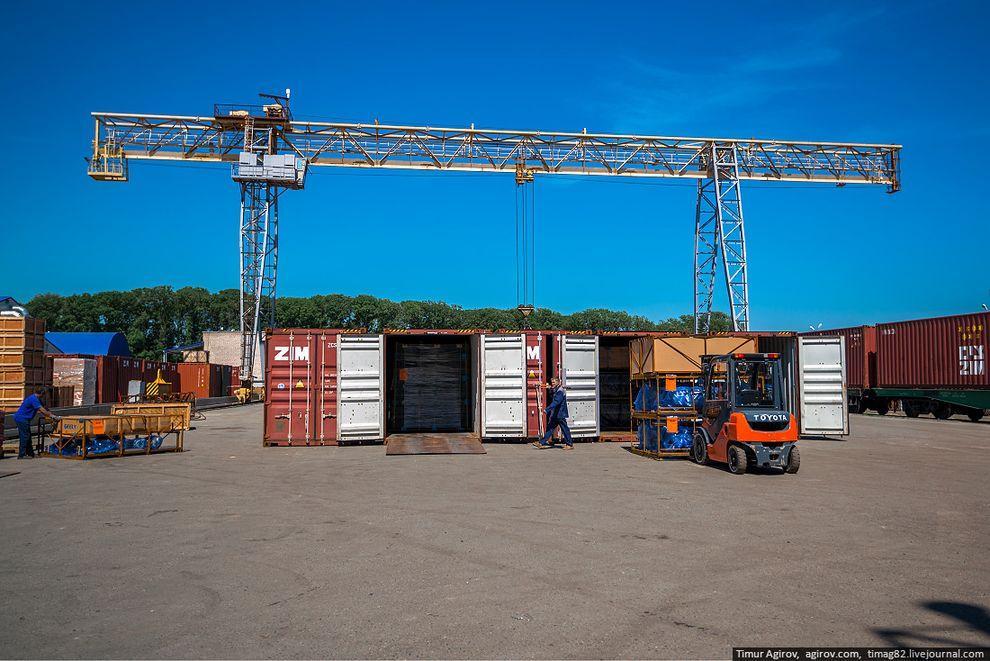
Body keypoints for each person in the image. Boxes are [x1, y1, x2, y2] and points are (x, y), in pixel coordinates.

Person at [12, 387, 58, 459]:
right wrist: (52, 416)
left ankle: (30, 454)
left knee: (28, 436)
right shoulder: (34, 399)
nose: (45, 396)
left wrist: (51, 414)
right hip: (21, 418)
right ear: (42, 394)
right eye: (44, 394)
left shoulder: (37, 399)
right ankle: (21, 455)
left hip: (24, 418)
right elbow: (42, 410)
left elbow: (44, 408)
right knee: (25, 436)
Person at [533, 377, 573, 450]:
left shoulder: (560, 391)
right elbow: (553, 395)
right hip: (556, 414)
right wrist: (550, 389)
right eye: (552, 382)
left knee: (564, 429)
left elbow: (556, 402)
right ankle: (541, 442)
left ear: (558, 382)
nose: (552, 384)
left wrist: (547, 409)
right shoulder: (557, 389)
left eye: (554, 382)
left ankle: (569, 444)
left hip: (560, 414)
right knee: (550, 428)